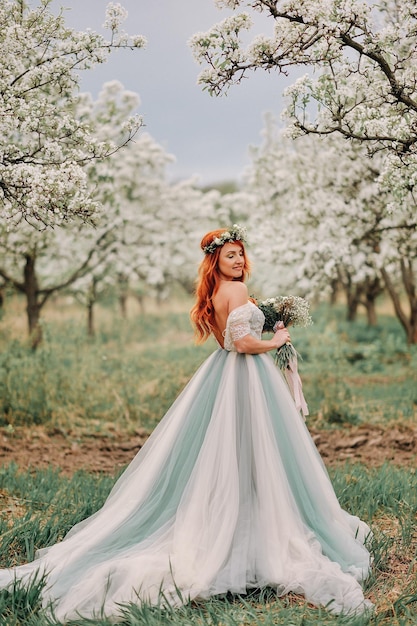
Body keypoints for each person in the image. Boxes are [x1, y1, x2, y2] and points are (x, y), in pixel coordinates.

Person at [0, 226, 372, 620]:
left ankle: (237, 514)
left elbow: (227, 339)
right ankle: (257, 524)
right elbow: (242, 344)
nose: (239, 261)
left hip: (223, 374)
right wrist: (276, 342)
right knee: (255, 449)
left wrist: (268, 324)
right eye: (230, 256)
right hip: (246, 375)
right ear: (216, 260)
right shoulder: (237, 291)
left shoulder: (212, 294)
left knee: (228, 450)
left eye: (241, 254)